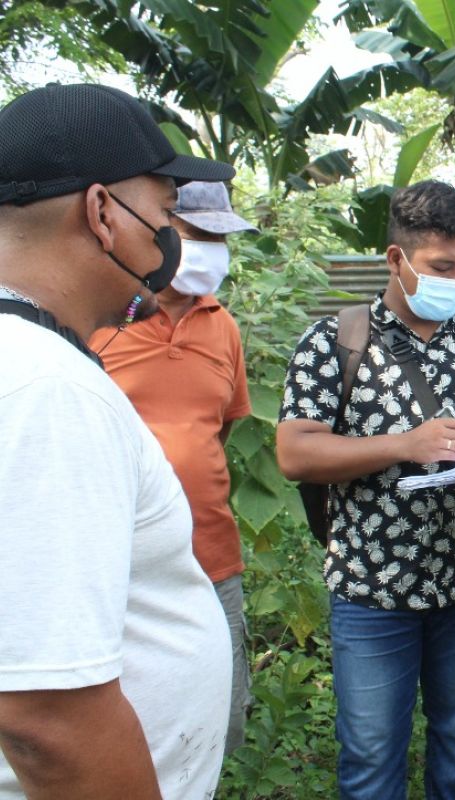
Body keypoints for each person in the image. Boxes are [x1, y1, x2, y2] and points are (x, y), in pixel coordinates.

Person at [0, 83, 235, 798]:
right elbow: (47, 716)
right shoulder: (46, 389)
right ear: (102, 212)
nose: (170, 239)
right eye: (165, 213)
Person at [275, 179, 455, 800]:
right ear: (397, 259)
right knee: (370, 755)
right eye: (442, 266)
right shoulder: (336, 343)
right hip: (371, 590)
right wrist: (402, 444)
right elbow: (295, 452)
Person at [88, 180, 259, 755]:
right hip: (120, 564)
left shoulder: (223, 327)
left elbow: (221, 429)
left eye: (219, 238)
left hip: (211, 555)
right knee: (130, 720)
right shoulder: (101, 321)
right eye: (196, 235)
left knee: (215, 718)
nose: (210, 249)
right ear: (159, 232)